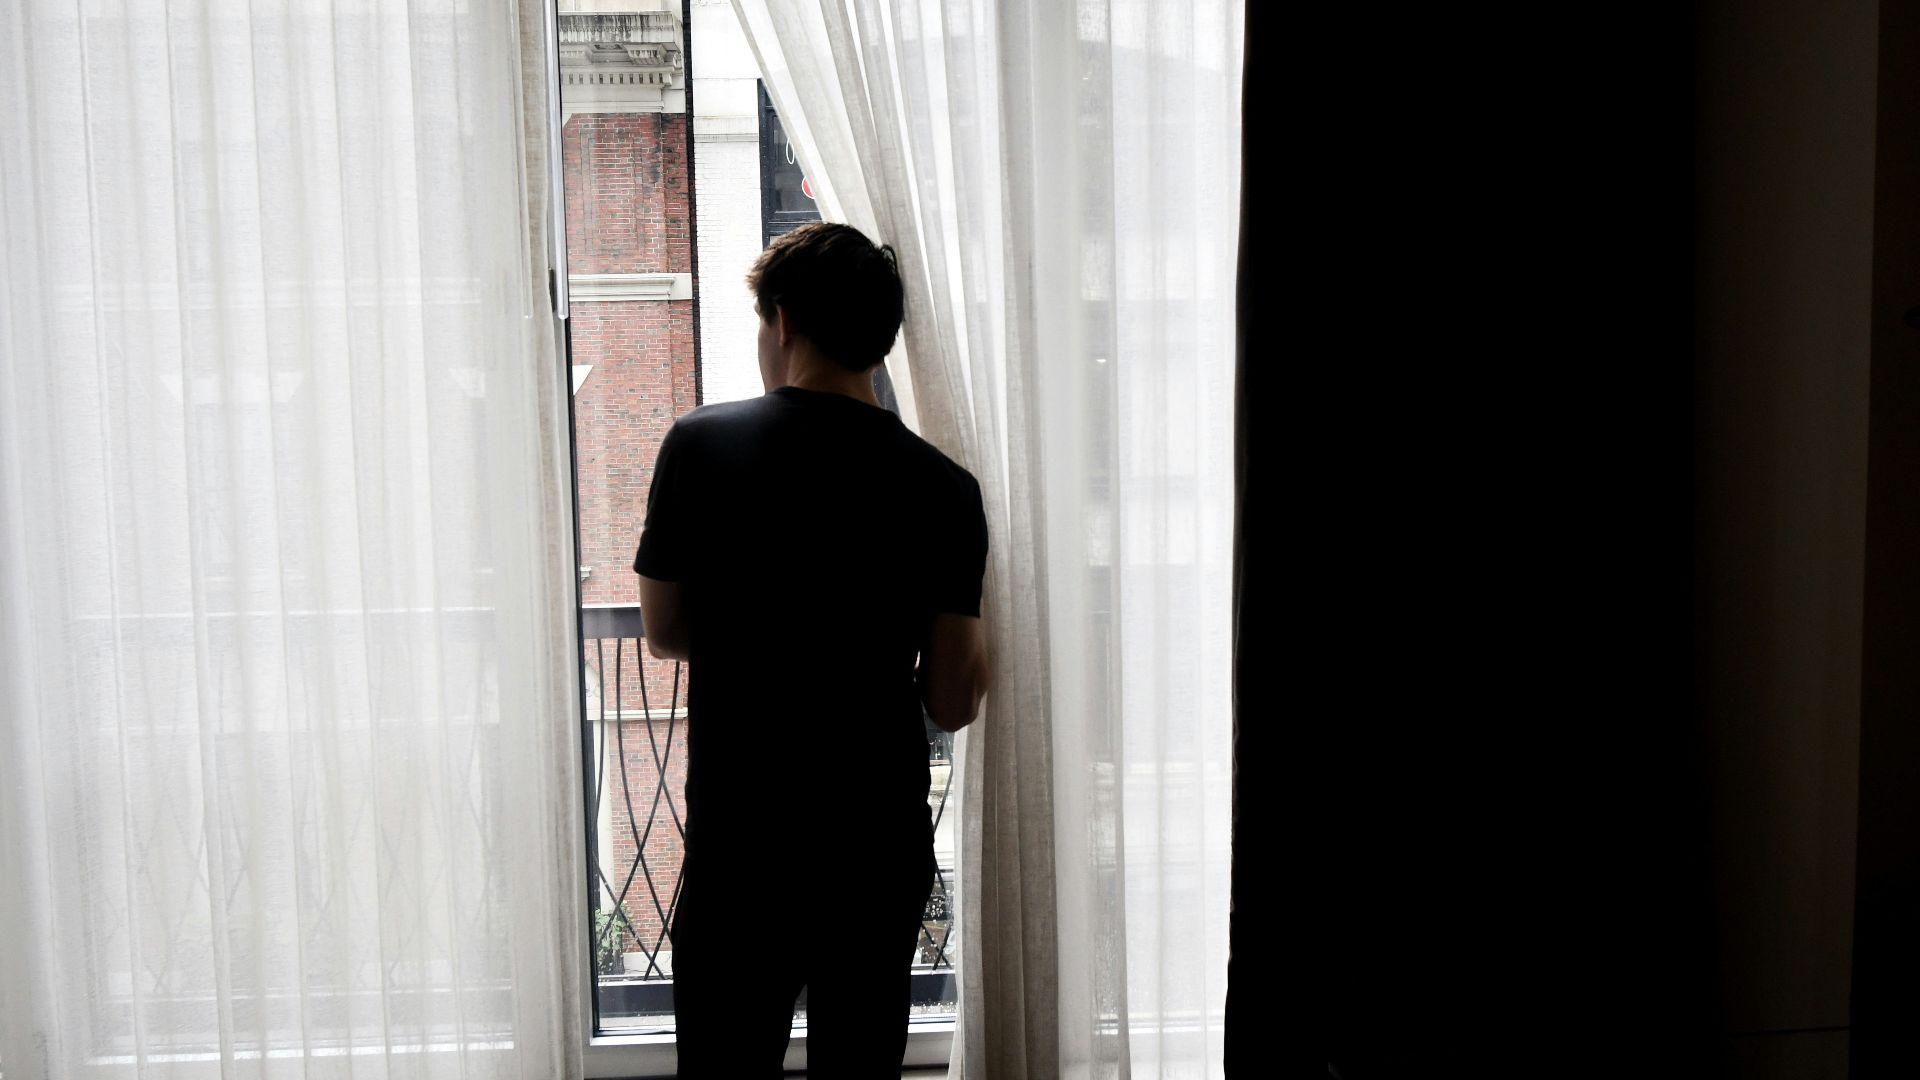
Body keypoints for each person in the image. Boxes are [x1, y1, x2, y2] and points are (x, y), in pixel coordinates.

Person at [633, 222, 990, 1077]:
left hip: (743, 840)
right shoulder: (945, 488)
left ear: (783, 323)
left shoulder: (699, 446)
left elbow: (665, 631)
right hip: (874, 844)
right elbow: (950, 700)